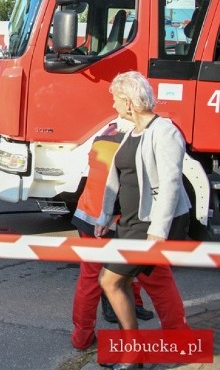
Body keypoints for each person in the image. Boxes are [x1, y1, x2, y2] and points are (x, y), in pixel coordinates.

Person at [95, 72, 191, 362]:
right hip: (130, 222)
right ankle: (137, 348)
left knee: (110, 281)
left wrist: (158, 231)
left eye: (115, 99)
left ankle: (133, 353)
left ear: (129, 102)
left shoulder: (165, 131)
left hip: (149, 224)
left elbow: (172, 180)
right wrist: (104, 216)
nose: (113, 105)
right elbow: (118, 179)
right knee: (117, 282)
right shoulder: (131, 131)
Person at [71, 121, 189, 351]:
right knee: (158, 280)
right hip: (118, 221)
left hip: (89, 214)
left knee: (90, 280)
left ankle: (81, 338)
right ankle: (178, 339)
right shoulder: (142, 135)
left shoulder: (108, 128)